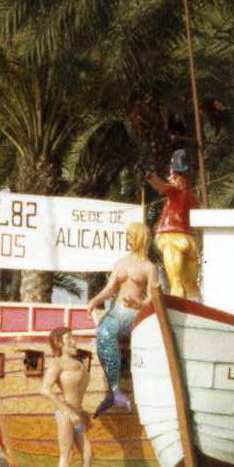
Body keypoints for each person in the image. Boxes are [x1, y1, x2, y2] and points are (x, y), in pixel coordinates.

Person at [87, 220, 159, 415]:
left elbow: (154, 298)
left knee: (107, 331)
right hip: (116, 311)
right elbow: (110, 289)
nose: (127, 239)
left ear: (140, 238)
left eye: (130, 236)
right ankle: (115, 391)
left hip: (134, 315)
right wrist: (95, 299)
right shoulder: (121, 263)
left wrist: (139, 305)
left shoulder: (149, 267)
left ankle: (115, 392)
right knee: (102, 333)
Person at [42, 327, 96, 467]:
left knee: (88, 454)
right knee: (67, 454)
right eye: (69, 338)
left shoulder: (78, 363)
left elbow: (77, 395)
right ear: (59, 342)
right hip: (65, 416)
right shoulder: (57, 364)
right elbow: (45, 389)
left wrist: (82, 412)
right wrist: (69, 412)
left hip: (77, 416)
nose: (74, 341)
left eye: (73, 337)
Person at [144, 149, 200, 300]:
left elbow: (161, 186)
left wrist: (149, 175)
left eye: (171, 175)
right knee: (191, 284)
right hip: (188, 239)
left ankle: (178, 305)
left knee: (176, 283)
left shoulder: (175, 192)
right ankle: (196, 303)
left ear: (175, 176)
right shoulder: (192, 198)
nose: (169, 178)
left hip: (171, 238)